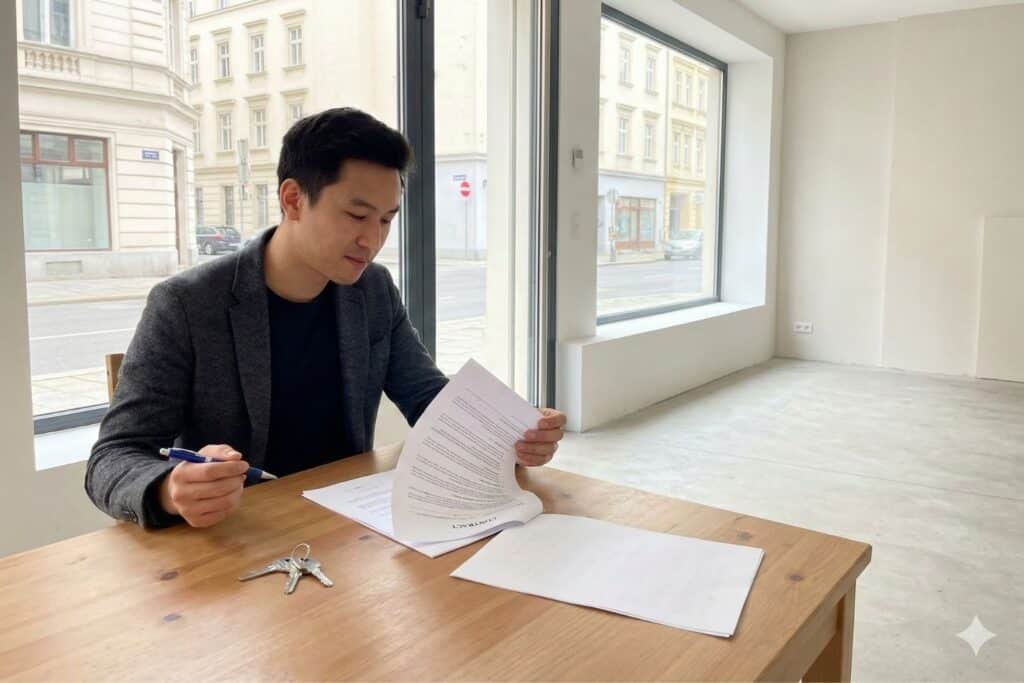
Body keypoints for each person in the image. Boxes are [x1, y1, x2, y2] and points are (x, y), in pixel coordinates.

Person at [85, 107, 566, 530]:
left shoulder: (373, 290)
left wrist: (513, 432)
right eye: (357, 216)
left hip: (346, 527)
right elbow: (112, 456)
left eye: (386, 219)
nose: (372, 240)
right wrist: (171, 488)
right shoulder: (187, 304)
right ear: (293, 199)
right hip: (238, 536)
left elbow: (427, 397)